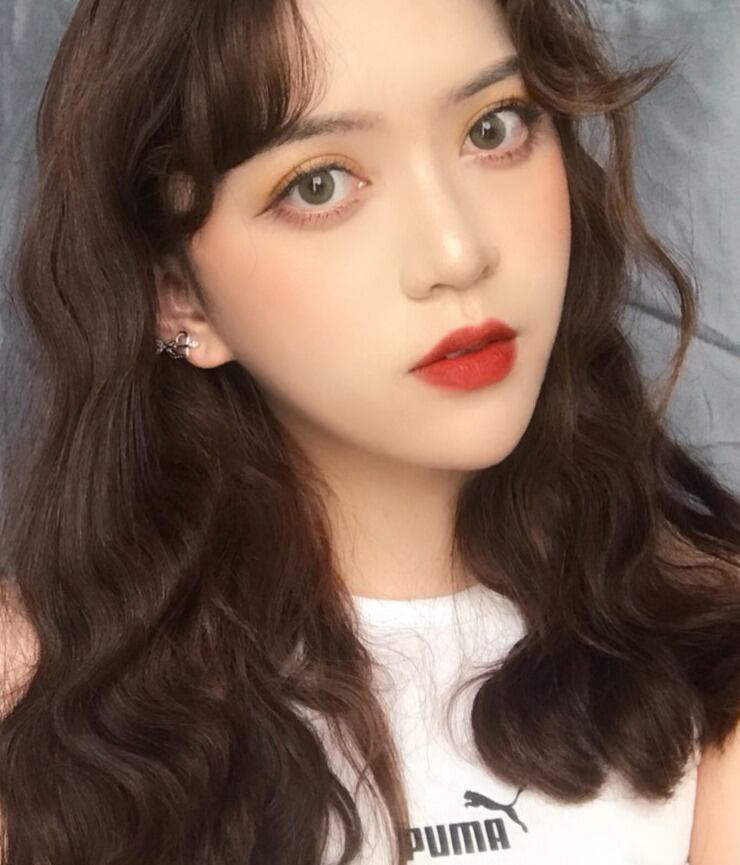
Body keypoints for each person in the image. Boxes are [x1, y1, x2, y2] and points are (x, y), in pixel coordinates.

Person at [0, 0, 738, 863]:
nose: (457, 253)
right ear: (179, 296)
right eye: (320, 184)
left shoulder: (711, 647)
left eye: (493, 128)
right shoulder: (32, 695)